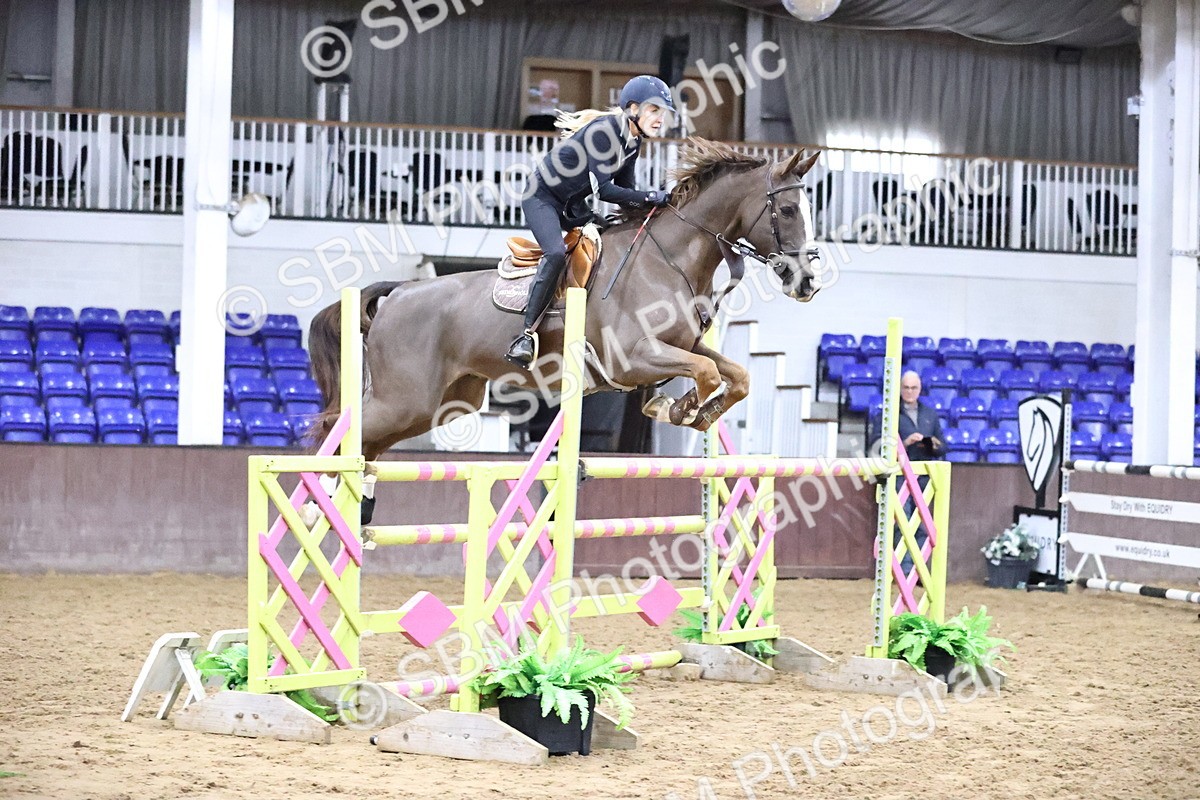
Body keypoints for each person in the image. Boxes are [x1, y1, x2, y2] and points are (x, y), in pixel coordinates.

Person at [504, 75, 676, 369]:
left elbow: (626, 196)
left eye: (663, 113)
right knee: (556, 253)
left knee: (610, 240)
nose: (661, 119)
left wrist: (656, 215)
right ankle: (526, 335)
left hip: (572, 206)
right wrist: (652, 196)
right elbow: (606, 191)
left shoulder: (632, 143)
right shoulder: (606, 133)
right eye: (654, 110)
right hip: (541, 198)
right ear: (633, 108)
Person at [897, 370, 944, 461]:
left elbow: (943, 448)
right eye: (906, 387)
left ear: (920, 389)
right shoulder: (890, 414)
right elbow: (879, 448)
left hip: (925, 472)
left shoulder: (930, 414)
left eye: (914, 388)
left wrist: (929, 443)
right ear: (900, 389)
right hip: (900, 471)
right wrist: (905, 443)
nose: (910, 391)